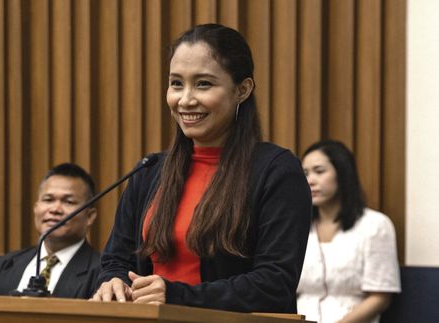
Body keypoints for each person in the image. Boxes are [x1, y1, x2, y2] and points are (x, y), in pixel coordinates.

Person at [91, 23, 312, 313]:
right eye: (176, 83)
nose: (185, 100)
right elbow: (116, 260)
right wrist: (113, 282)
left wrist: (175, 295)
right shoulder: (150, 170)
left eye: (204, 84)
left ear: (242, 90)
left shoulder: (277, 171)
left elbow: (274, 283)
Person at [297, 140, 401, 323]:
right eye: (305, 173)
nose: (310, 180)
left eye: (319, 171)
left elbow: (381, 297)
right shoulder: (298, 227)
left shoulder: (375, 225)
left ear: (342, 173)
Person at [0, 163, 100, 298]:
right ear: (36, 208)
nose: (55, 209)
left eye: (68, 202)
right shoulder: (5, 265)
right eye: (48, 200)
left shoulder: (102, 274)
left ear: (90, 216)